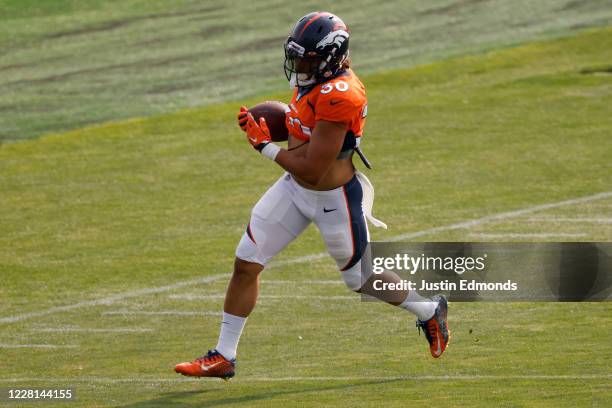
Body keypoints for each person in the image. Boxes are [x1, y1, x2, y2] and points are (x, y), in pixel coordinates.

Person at [175, 11, 449, 380]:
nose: (300, 66)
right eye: (298, 57)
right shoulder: (317, 79)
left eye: (308, 59)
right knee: (246, 263)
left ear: (332, 56)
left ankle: (429, 311)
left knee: (361, 279)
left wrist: (263, 146)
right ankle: (224, 355)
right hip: (293, 191)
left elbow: (311, 166)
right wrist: (274, 121)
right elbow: (302, 127)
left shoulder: (342, 94)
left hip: (333, 197)